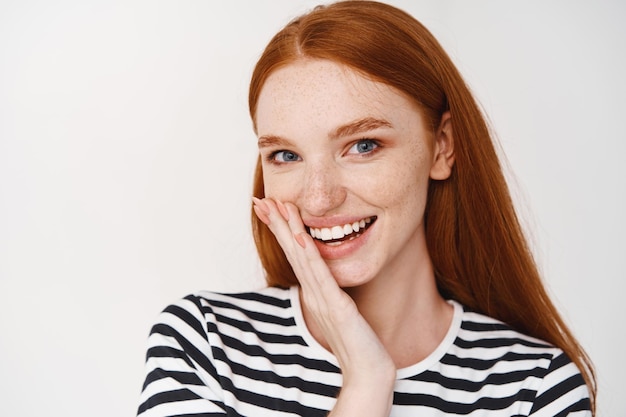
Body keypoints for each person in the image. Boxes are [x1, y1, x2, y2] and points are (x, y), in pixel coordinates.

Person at [137, 1, 596, 416]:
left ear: (442, 147)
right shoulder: (204, 346)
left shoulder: (535, 388)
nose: (318, 198)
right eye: (286, 155)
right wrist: (366, 380)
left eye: (362, 145)